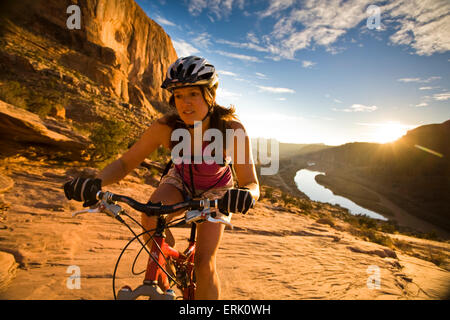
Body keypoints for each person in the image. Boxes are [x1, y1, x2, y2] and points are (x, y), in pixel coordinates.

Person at [63, 56, 260, 300]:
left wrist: (245, 195)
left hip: (217, 190)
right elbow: (125, 163)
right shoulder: (166, 126)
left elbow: (251, 182)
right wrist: (95, 182)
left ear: (210, 94)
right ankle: (168, 265)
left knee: (204, 263)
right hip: (180, 181)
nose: (185, 104)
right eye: (179, 96)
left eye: (193, 94)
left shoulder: (231, 129)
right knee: (150, 214)